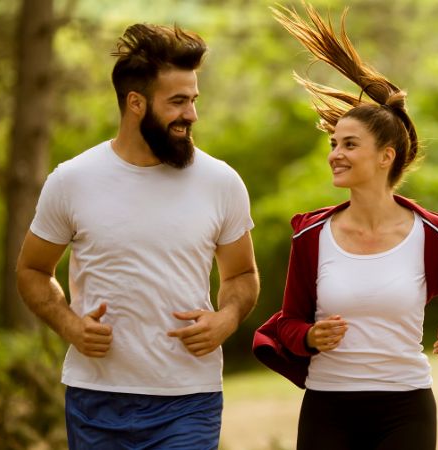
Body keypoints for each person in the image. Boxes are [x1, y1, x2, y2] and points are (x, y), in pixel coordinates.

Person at [253, 4, 438, 450]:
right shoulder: (311, 237)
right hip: (328, 407)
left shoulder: (433, 235)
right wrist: (307, 336)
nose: (335, 154)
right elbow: (288, 321)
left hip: (406, 407)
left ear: (386, 156)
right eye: (333, 144)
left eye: (349, 144)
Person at [16, 23, 259, 449]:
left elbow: (242, 277)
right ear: (135, 103)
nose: (192, 115)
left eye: (193, 100)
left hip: (189, 398)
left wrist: (226, 319)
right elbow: (32, 270)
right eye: (178, 102)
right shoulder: (72, 180)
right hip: (96, 398)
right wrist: (70, 325)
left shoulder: (221, 182)